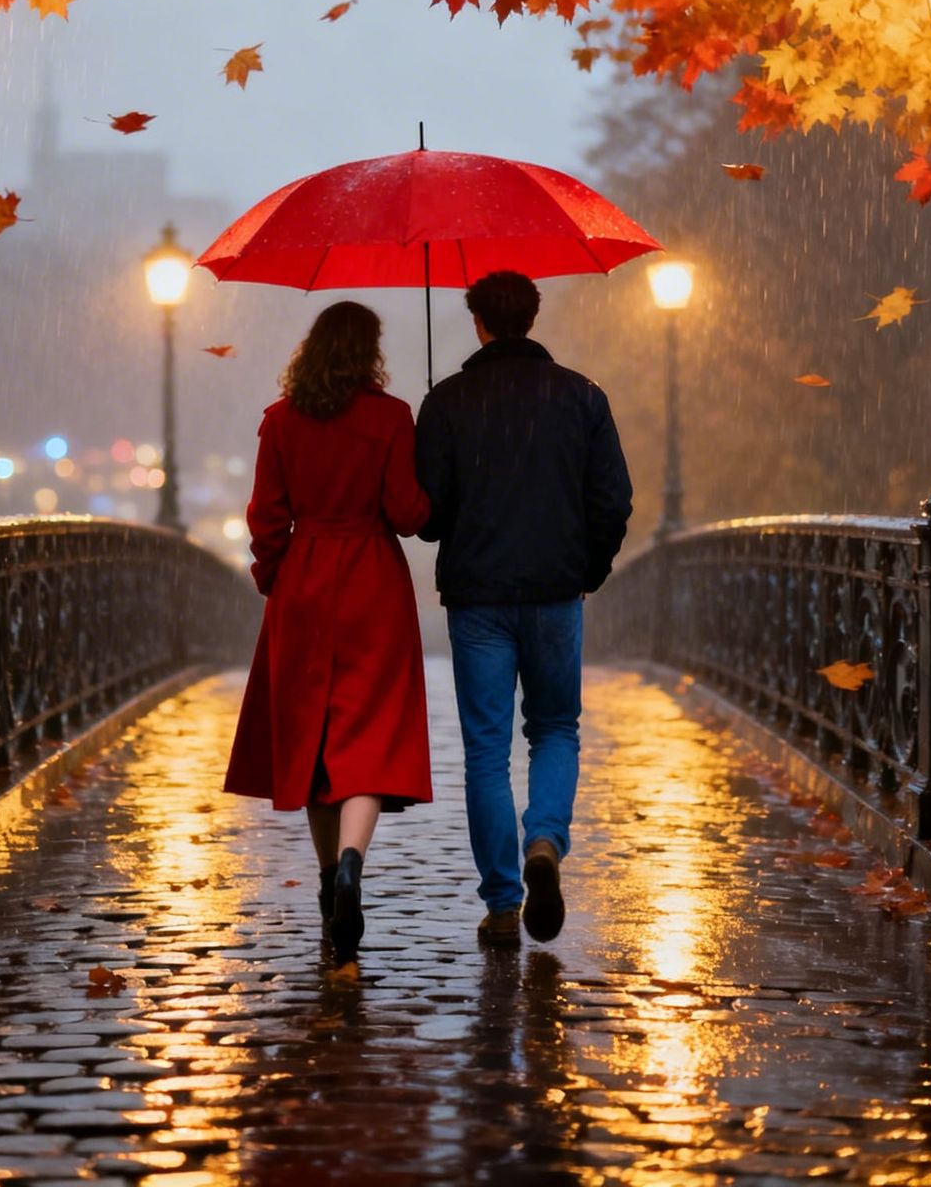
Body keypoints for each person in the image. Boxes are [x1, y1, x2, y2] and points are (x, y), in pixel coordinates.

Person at [415, 271, 632, 947]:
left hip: (479, 596)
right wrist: (586, 569)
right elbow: (612, 500)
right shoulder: (582, 397)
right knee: (556, 730)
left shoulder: (448, 401)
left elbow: (427, 520)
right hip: (554, 592)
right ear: (531, 318)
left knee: (485, 750)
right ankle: (545, 839)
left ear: (477, 320)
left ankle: (504, 903)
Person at [224, 301, 432, 964]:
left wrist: (274, 580)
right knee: (367, 735)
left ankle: (326, 880)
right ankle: (351, 863)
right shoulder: (392, 417)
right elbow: (407, 514)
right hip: (372, 581)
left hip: (306, 582)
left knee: (313, 738)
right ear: (369, 350)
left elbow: (264, 519)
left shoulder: (280, 422)